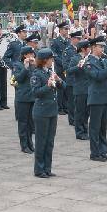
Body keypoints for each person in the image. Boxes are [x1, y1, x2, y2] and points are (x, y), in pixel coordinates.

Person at [30, 48, 65, 178]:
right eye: (51, 59)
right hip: (42, 111)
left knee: (50, 141)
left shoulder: (51, 71)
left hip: (51, 110)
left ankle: (47, 168)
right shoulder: (37, 74)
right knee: (41, 141)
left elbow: (64, 87)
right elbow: (35, 92)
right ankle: (39, 169)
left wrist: (59, 80)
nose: (53, 61)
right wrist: (48, 85)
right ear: (45, 60)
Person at [85, 36, 107, 162]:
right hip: (96, 98)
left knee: (103, 127)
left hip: (104, 97)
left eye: (103, 46)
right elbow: (98, 76)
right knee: (95, 127)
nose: (103, 48)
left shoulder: (102, 60)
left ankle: (103, 151)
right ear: (93, 47)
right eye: (100, 46)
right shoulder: (89, 62)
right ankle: (95, 153)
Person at [14, 46, 36, 154]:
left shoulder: (33, 65)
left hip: (32, 97)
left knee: (31, 123)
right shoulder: (18, 65)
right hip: (23, 98)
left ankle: (30, 143)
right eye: (30, 54)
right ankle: (24, 145)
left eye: (32, 54)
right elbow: (18, 78)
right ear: (25, 55)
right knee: (23, 123)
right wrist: (26, 67)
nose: (32, 56)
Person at [68, 39, 91, 140]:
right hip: (80, 89)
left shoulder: (89, 58)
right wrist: (78, 66)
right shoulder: (75, 58)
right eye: (88, 47)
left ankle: (85, 130)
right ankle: (79, 132)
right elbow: (69, 71)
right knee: (79, 112)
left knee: (86, 112)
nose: (90, 49)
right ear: (83, 49)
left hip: (88, 88)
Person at [62, 30, 82, 126]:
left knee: (78, 101)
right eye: (78, 38)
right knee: (71, 101)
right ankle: (72, 119)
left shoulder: (80, 50)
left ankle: (77, 118)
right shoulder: (67, 50)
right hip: (71, 79)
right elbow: (65, 66)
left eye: (80, 38)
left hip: (79, 79)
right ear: (73, 39)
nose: (79, 40)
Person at [50, 21, 70, 115]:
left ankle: (66, 106)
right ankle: (59, 107)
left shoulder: (68, 41)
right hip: (60, 67)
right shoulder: (56, 41)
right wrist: (63, 63)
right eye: (65, 29)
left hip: (67, 68)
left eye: (67, 29)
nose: (67, 31)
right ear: (61, 30)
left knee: (66, 87)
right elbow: (54, 55)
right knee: (60, 89)